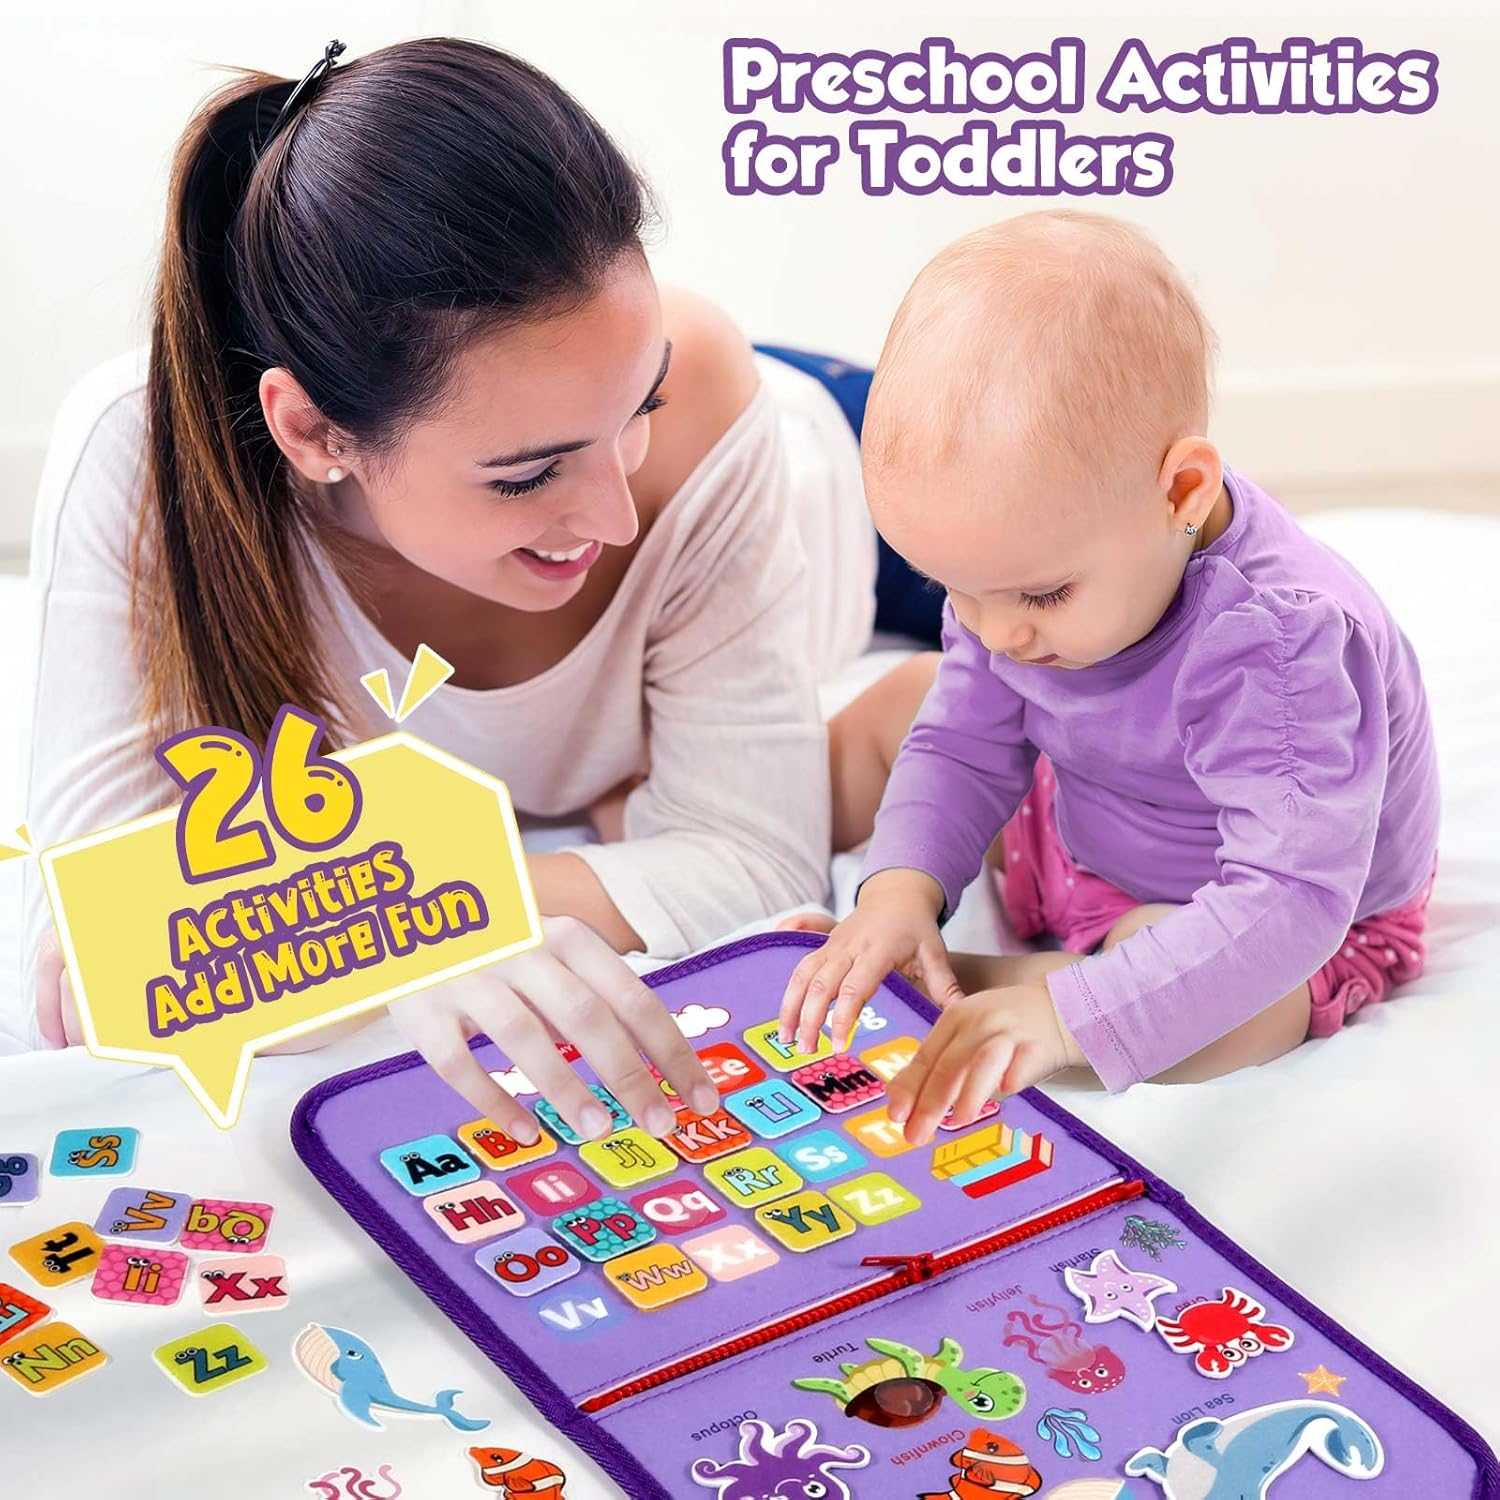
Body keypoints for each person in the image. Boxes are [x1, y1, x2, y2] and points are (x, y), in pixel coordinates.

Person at [20, 36, 881, 1139]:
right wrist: (422, 931)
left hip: (845, 476)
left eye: (640, 414)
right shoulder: (144, 458)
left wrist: (376, 920)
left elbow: (759, 862)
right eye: (526, 476)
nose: (617, 519)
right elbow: (87, 961)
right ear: (312, 431)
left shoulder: (698, 405)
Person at [779, 211, 1440, 1142]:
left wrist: (1065, 1019)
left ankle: (992, 993)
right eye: (954, 589)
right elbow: (962, 743)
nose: (996, 631)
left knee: (1238, 1012)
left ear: (1182, 493)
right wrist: (898, 892)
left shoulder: (1280, 644)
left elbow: (1291, 901)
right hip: (1078, 825)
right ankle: (763, 837)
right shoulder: (1014, 586)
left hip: (1258, 919)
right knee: (914, 700)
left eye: (1041, 594)